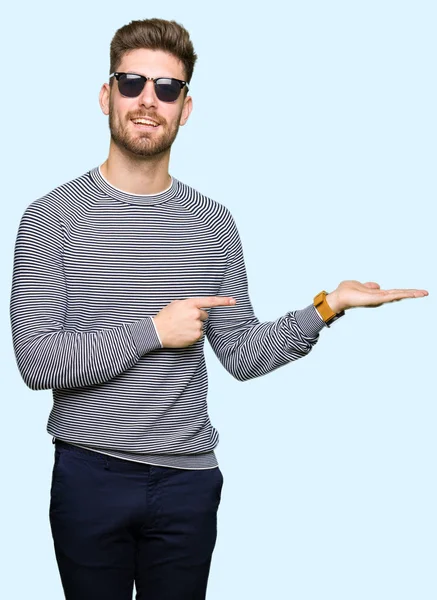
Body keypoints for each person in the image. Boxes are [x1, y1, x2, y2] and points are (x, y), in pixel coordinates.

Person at [10, 17, 428, 600]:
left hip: (188, 483)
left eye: (167, 88)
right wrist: (153, 330)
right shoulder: (49, 219)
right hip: (89, 475)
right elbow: (36, 363)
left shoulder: (211, 224)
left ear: (185, 108)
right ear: (107, 95)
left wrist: (328, 306)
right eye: (132, 83)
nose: (147, 100)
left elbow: (241, 354)